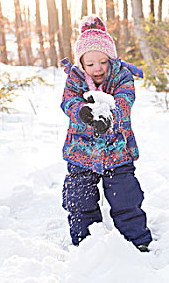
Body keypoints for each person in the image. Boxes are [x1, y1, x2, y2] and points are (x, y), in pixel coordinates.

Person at [60, 15, 152, 252]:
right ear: (81, 64)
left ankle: (137, 241)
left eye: (103, 61)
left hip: (118, 152)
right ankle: (85, 245)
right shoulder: (75, 79)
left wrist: (111, 116)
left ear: (111, 58)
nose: (97, 68)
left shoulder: (122, 76)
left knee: (126, 198)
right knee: (80, 200)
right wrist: (83, 113)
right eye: (90, 64)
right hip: (81, 153)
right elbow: (68, 102)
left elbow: (125, 99)